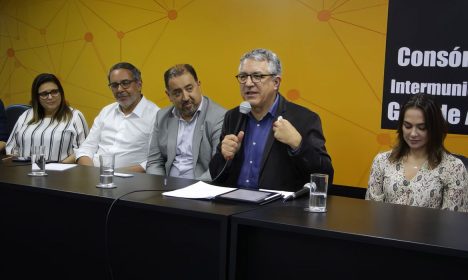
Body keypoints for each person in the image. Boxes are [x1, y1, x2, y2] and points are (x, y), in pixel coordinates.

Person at [209, 48, 334, 192]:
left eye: (257, 76)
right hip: (234, 205)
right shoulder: (234, 116)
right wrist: (224, 156)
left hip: (278, 210)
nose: (248, 83)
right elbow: (215, 175)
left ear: (276, 82)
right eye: (243, 76)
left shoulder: (304, 119)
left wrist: (298, 145)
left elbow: (326, 177)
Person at [366, 93, 468, 212]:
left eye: (422, 127)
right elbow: (372, 214)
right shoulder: (382, 161)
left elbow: (452, 223)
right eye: (408, 126)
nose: (413, 133)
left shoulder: (454, 168)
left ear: (434, 128)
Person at [146, 64, 226, 181]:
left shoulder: (219, 116)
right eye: (177, 93)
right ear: (168, 95)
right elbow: (154, 162)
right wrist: (159, 187)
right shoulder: (162, 116)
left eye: (189, 89)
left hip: (200, 186)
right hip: (167, 187)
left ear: (198, 85)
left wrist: (192, 191)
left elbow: (218, 166)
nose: (185, 97)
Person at [76, 62, 159, 172]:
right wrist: (91, 173)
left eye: (125, 83)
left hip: (130, 180)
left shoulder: (156, 115)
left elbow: (153, 161)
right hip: (94, 176)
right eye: (114, 85)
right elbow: (87, 147)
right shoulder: (106, 111)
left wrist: (113, 174)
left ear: (139, 85)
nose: (119, 89)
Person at [5, 73, 88, 162]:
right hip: (24, 171)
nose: (50, 97)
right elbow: (11, 148)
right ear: (37, 97)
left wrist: (62, 165)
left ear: (61, 93)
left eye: (54, 92)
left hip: (60, 172)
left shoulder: (74, 116)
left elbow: (85, 150)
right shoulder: (26, 115)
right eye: (44, 94)